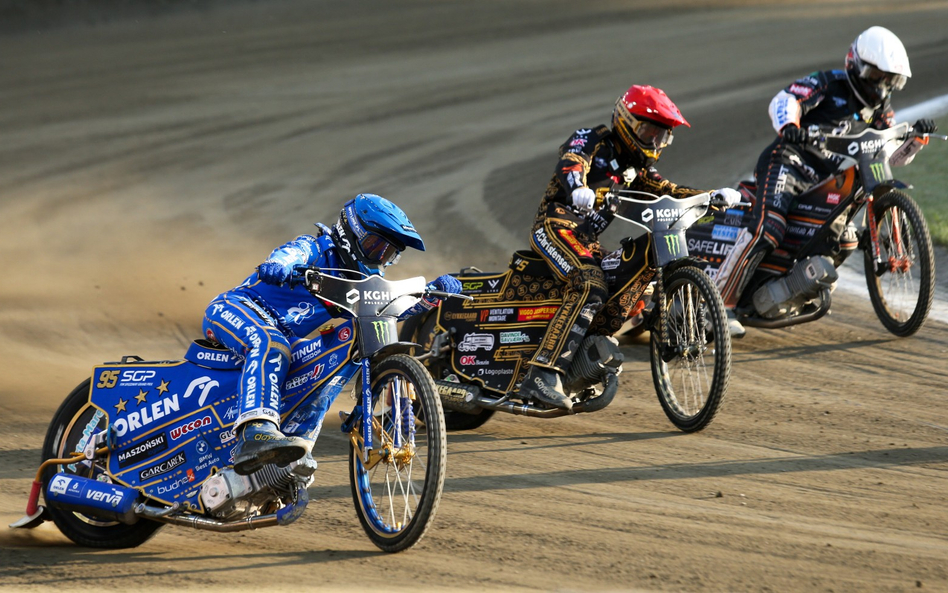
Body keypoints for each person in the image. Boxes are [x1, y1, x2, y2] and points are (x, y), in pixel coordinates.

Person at [520, 84, 741, 410]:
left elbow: (668, 191)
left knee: (625, 278)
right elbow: (571, 162)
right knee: (590, 284)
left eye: (661, 136)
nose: (654, 142)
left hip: (585, 242)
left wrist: (712, 197)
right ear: (625, 121)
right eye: (648, 132)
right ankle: (542, 373)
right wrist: (577, 187)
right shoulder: (592, 138)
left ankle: (606, 344)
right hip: (555, 227)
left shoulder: (636, 171)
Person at [203, 193, 460, 475]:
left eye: (389, 254)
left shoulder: (363, 282)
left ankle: (288, 465)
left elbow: (390, 311)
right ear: (351, 231)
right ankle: (256, 431)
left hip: (286, 337)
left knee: (324, 375)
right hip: (238, 307)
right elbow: (288, 255)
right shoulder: (315, 247)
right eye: (376, 246)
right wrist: (279, 266)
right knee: (270, 343)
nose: (381, 258)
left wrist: (431, 296)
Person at [715, 26, 937, 334]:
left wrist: (916, 138)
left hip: (824, 180)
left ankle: (791, 289)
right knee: (769, 227)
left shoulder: (880, 110)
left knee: (844, 237)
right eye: (877, 77)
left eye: (891, 81)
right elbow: (785, 99)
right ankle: (718, 304)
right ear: (856, 65)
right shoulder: (828, 83)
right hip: (790, 162)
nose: (883, 88)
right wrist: (789, 126)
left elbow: (890, 155)